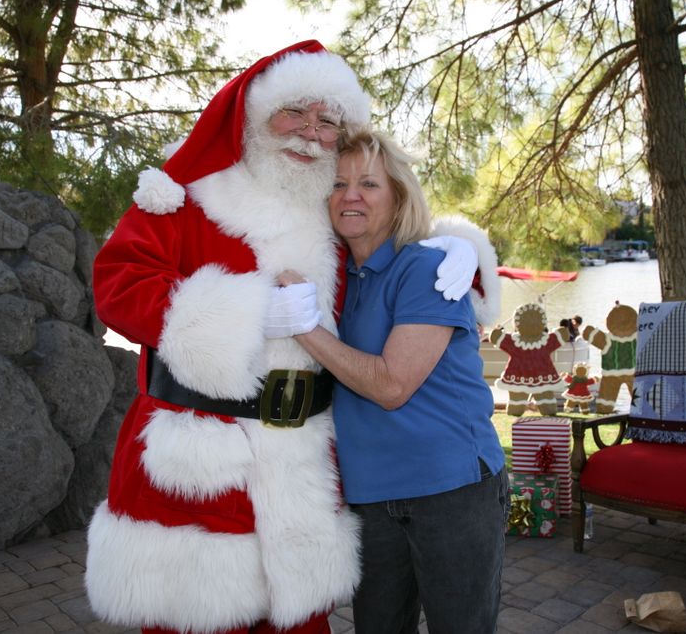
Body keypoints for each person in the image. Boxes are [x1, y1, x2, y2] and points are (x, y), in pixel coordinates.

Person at [84, 41, 501, 634]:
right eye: (294, 112)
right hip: (205, 460)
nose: (309, 132)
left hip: (303, 465)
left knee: (301, 619)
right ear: (255, 115)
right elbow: (117, 283)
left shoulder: (330, 213)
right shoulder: (188, 196)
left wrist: (460, 247)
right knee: (200, 617)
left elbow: (393, 253)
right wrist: (250, 312)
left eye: (327, 121)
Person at [285, 130, 509, 634]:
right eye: (338, 184)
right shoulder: (339, 276)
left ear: (399, 196)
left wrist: (306, 329)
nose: (350, 196)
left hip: (450, 489)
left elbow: (391, 386)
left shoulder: (427, 267)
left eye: (369, 183)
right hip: (372, 495)